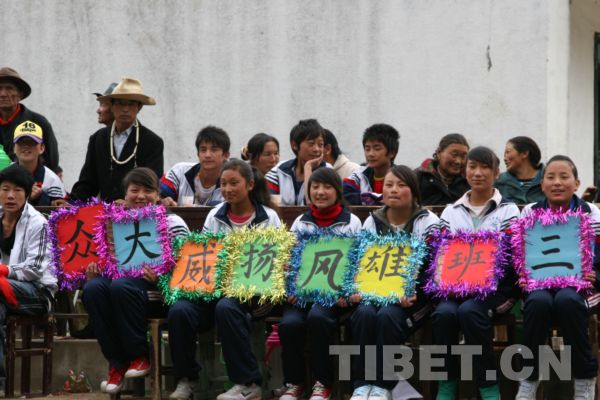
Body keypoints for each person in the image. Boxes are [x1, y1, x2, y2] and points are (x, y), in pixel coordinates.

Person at [82, 168, 189, 395]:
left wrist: (162, 276)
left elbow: (187, 265)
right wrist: (94, 271)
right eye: (134, 190)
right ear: (125, 194)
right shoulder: (115, 223)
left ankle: (139, 356)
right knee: (93, 288)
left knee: (121, 287)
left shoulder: (172, 221)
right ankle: (117, 364)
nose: (141, 196)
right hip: (122, 287)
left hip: (158, 291)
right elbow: (108, 260)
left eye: (148, 190)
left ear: (158, 195)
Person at [433, 147, 519, 400]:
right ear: (465, 170)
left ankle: (488, 388)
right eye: (472, 167)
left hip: (496, 291)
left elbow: (511, 258)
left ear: (496, 172)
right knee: (444, 313)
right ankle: (446, 385)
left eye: (485, 168)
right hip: (455, 288)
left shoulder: (508, 210)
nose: (478, 173)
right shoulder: (451, 211)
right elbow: (441, 254)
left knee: (470, 311)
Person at [350, 166, 439, 400]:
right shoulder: (372, 222)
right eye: (389, 185)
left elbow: (433, 268)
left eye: (401, 185)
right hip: (376, 294)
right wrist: (358, 288)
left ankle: (382, 384)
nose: (394, 190)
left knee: (387, 316)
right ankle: (362, 385)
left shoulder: (428, 222)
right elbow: (362, 263)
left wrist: (411, 290)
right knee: (364, 314)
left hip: (415, 300)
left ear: (414, 191)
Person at [515, 155, 599, 400]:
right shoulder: (530, 212)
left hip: (581, 287)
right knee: (538, 303)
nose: (557, 182)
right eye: (550, 177)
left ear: (577, 183)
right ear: (542, 185)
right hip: (539, 284)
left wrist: (596, 274)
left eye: (564, 177)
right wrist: (521, 272)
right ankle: (529, 379)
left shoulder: (591, 214)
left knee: (567, 301)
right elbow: (520, 253)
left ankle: (584, 378)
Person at [279, 168, 361, 400]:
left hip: (333, 295)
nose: (320, 192)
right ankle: (294, 383)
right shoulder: (301, 222)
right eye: (315, 187)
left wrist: (346, 290)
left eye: (326, 187)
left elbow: (356, 261)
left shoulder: (351, 222)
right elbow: (290, 259)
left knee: (318, 318)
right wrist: (291, 286)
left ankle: (323, 383)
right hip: (302, 294)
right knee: (289, 324)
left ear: (337, 191)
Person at [201, 160, 280, 400]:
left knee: (227, 308)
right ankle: (192, 382)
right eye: (223, 184)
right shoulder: (215, 215)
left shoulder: (268, 217)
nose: (227, 189)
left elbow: (275, 260)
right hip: (220, 289)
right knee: (185, 309)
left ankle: (247, 383)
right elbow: (206, 255)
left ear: (250, 184)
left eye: (234, 183)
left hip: (259, 293)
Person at [0, 164, 57, 378]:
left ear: (26, 194)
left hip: (38, 293)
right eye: (5, 189)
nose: (10, 196)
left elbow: (34, 270)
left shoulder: (38, 223)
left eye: (17, 190)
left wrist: (4, 271)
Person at [69, 78, 164, 202]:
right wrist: (70, 203)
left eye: (131, 104)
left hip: (138, 213)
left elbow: (152, 184)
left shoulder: (152, 141)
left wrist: (129, 202)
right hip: (103, 215)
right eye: (120, 103)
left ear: (139, 107)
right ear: (112, 107)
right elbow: (88, 182)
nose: (125, 109)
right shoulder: (97, 138)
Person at [0, 67, 59, 172]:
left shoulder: (38, 122)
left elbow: (51, 162)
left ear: (20, 94)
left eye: (9, 88)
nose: (3, 94)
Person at [266, 119, 330, 206]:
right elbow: (271, 206)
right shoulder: (278, 171)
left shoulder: (328, 171)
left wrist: (308, 168)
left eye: (320, 144)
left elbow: (311, 205)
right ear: (294, 145)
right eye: (311, 144)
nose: (317, 149)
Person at [161, 126, 230, 206]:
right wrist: (162, 201)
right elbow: (154, 195)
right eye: (203, 150)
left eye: (214, 150)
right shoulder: (179, 172)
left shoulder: (232, 183)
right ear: (198, 154)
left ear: (226, 155)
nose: (207, 155)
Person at [343, 124, 400, 206]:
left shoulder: (402, 177)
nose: (370, 154)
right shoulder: (359, 175)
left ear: (392, 153)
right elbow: (344, 194)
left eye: (377, 148)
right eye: (367, 149)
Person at [12, 121, 65, 206]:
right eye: (21, 142)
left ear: (42, 148)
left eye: (32, 142)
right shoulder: (4, 174)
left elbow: (59, 213)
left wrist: (41, 197)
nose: (26, 146)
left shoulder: (52, 180)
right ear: (14, 148)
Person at [415, 133, 470, 206]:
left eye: (463, 156)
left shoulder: (469, 181)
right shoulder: (419, 177)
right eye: (454, 154)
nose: (458, 161)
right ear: (439, 153)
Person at [495, 136, 544, 204]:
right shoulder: (499, 182)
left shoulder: (547, 179)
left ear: (524, 153)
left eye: (508, 152)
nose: (504, 158)